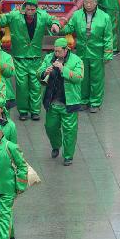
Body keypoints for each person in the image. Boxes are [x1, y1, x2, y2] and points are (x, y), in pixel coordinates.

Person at [0, 0, 60, 120]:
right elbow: (0, 20)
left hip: (36, 57)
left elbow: (53, 19)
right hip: (19, 57)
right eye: (28, 9)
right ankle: (23, 111)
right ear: (24, 7)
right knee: (21, 86)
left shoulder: (42, 16)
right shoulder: (14, 15)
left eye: (33, 9)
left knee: (36, 85)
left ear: (37, 8)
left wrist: (55, 25)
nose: (30, 11)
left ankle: (35, 111)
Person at [63, 0, 113, 111]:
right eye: (86, 2)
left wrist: (108, 53)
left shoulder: (105, 17)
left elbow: (108, 37)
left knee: (97, 78)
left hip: (97, 52)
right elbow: (69, 28)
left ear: (96, 3)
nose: (88, 4)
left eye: (91, 2)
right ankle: (83, 100)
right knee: (82, 77)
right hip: (82, 52)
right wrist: (58, 26)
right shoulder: (76, 15)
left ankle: (95, 102)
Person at [37, 37, 85, 165]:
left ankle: (68, 156)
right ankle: (56, 145)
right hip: (52, 102)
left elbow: (79, 77)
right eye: (55, 51)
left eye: (58, 51)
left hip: (69, 102)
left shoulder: (76, 61)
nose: (56, 54)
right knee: (50, 127)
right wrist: (44, 72)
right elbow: (39, 72)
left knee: (70, 131)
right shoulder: (49, 58)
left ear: (65, 50)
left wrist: (64, 69)